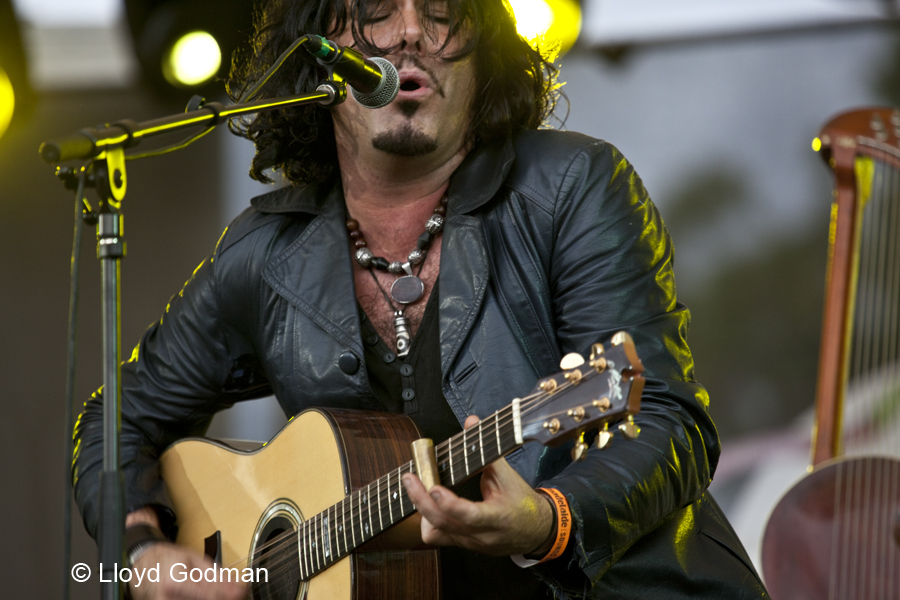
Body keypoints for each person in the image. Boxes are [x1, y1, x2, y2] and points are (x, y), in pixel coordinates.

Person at [73, 0, 770, 598]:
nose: (409, 32)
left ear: (483, 56)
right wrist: (145, 549)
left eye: (442, 14)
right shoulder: (262, 256)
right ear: (320, 60)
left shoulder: (572, 188)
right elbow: (117, 419)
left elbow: (667, 420)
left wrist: (551, 519)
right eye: (374, 11)